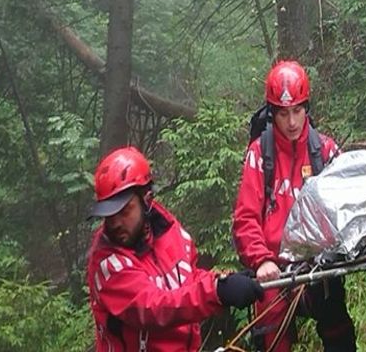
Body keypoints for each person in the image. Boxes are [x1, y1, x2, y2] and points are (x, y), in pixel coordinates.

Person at [87, 145, 264, 352]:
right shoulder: (108, 262)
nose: (115, 222)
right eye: (109, 215)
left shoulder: (167, 231)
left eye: (124, 210)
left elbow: (187, 279)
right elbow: (153, 307)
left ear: (147, 199)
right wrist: (216, 293)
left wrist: (223, 281)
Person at [232, 60, 357, 352]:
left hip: (317, 266)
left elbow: (347, 207)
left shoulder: (324, 151)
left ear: (307, 108)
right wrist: (262, 259)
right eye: (283, 113)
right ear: (272, 113)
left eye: (297, 111)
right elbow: (245, 218)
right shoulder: (259, 154)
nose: (291, 122)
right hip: (272, 268)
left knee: (338, 330)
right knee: (271, 338)